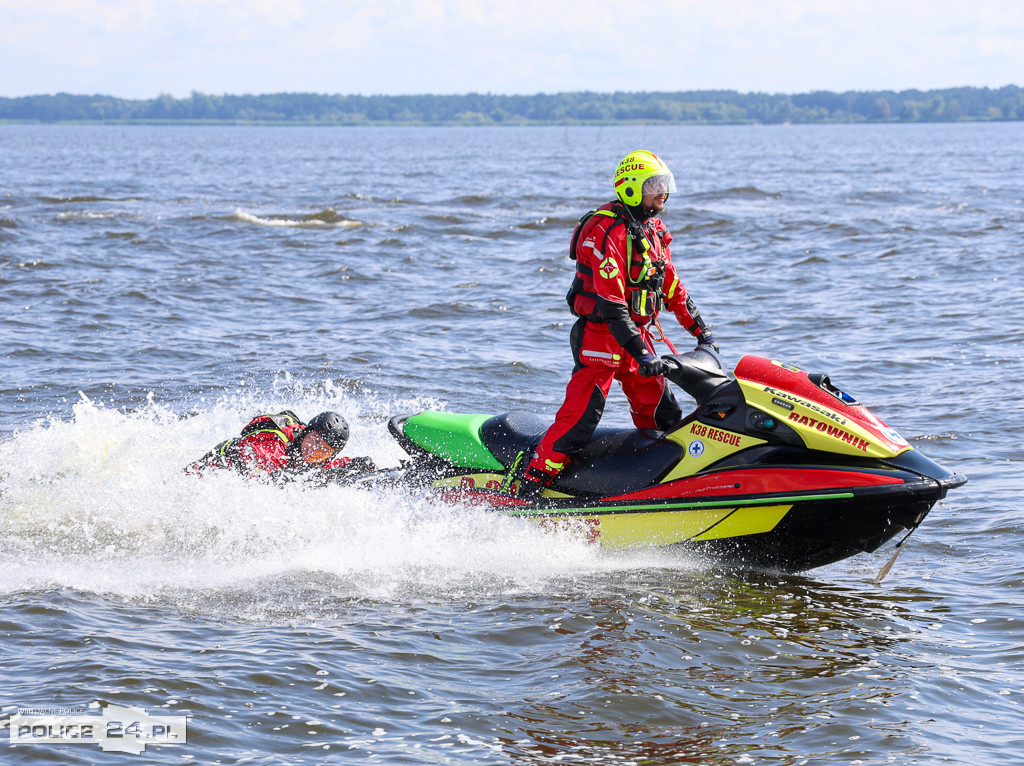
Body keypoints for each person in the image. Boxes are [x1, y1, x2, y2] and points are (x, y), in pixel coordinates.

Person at [514, 150, 719, 496]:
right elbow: (611, 302)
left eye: (665, 184)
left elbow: (670, 285)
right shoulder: (607, 230)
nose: (662, 192)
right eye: (655, 185)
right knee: (580, 418)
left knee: (663, 413)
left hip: (635, 339)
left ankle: (665, 483)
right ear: (632, 188)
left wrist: (703, 332)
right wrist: (640, 352)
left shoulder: (652, 230)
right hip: (602, 337)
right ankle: (531, 484)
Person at [186, 410, 374, 483]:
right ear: (307, 431)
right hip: (202, 474)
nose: (315, 450)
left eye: (324, 450)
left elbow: (321, 465)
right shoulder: (274, 444)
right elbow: (270, 474)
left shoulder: (312, 454)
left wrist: (352, 465)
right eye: (315, 441)